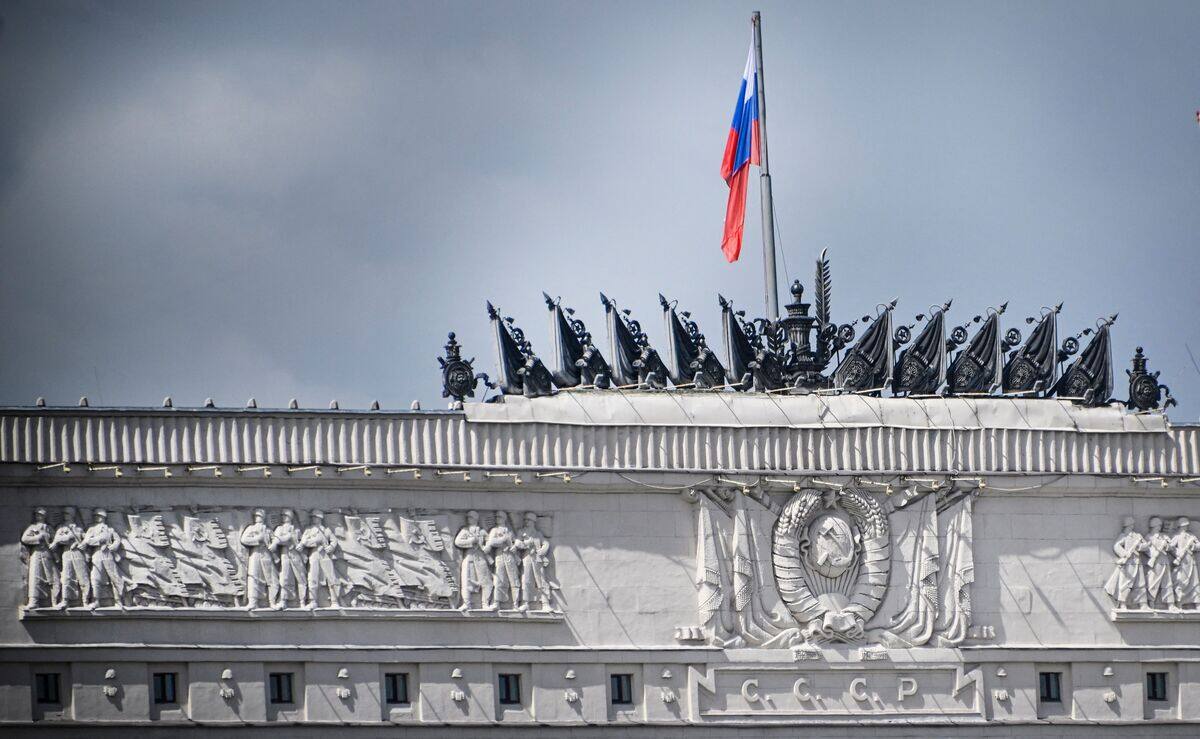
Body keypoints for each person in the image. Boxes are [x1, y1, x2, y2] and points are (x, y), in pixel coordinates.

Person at [83, 508, 124, 609]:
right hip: (97, 554)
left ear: (103, 517)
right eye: (95, 516)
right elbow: (88, 541)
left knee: (114, 577)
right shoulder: (91, 529)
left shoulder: (110, 530)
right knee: (95, 578)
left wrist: (113, 546)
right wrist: (100, 539)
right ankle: (96, 601)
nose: (97, 518)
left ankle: (118, 601)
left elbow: (117, 540)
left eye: (99, 516)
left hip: (108, 555)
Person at [1103, 516, 1147, 609]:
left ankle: (1143, 604)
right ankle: (1123, 603)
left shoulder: (1137, 536)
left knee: (1141, 582)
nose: (1130, 527)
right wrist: (1124, 554)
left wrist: (1140, 547)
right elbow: (1116, 546)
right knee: (1126, 582)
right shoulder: (1124, 536)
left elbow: (1145, 547)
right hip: (1128, 562)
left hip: (1137, 561)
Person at [300, 510, 341, 609]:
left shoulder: (325, 530)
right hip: (313, 554)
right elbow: (303, 542)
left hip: (325, 556)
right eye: (312, 517)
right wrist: (313, 541)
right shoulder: (308, 529)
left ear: (320, 518)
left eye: (315, 517)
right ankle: (313, 601)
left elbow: (334, 540)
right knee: (312, 578)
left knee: (331, 578)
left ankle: (334, 601)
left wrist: (331, 547)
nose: (313, 519)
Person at [240, 509, 278, 609]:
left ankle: (272, 602)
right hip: (255, 554)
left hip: (266, 555)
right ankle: (253, 602)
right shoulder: (251, 528)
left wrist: (274, 545)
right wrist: (257, 539)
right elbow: (244, 539)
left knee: (272, 579)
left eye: (260, 516)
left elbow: (275, 540)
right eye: (256, 516)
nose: (257, 518)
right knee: (253, 577)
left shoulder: (268, 530)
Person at [454, 510, 492, 610]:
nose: (468, 519)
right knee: (466, 580)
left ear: (475, 519)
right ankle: (467, 603)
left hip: (481, 558)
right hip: (469, 557)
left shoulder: (482, 531)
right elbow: (458, 542)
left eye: (470, 517)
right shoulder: (465, 530)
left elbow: (489, 541)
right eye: (467, 517)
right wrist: (470, 541)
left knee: (486, 581)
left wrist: (487, 547)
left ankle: (485, 604)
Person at [52, 506, 90, 608]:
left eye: (67, 514)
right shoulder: (61, 528)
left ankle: (86, 601)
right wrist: (68, 538)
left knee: (83, 577)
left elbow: (87, 540)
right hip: (67, 553)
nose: (65, 516)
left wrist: (81, 544)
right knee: (66, 577)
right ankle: (65, 601)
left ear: (72, 515)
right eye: (64, 514)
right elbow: (57, 540)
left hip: (78, 554)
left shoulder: (78, 528)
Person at [515, 512, 553, 612]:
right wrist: (526, 543)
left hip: (537, 559)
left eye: (528, 520)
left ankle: (545, 603)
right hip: (526, 558)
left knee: (541, 580)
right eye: (525, 520)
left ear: (533, 522)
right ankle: (525, 603)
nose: (526, 522)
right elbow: (517, 543)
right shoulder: (521, 532)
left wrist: (542, 551)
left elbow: (546, 543)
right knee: (526, 580)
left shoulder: (537, 534)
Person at [21, 508, 56, 608]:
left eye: (40, 515)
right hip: (36, 554)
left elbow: (55, 540)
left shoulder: (49, 528)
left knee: (51, 578)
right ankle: (34, 601)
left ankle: (54, 601)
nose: (38, 516)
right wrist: (38, 538)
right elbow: (25, 539)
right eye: (37, 515)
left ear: (44, 516)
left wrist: (53, 544)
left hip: (48, 554)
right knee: (34, 577)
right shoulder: (33, 527)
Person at [271, 509, 307, 609]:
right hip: (285, 554)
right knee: (284, 578)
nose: (283, 517)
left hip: (296, 555)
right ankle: (283, 600)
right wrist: (287, 538)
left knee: (301, 578)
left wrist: (301, 545)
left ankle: (302, 601)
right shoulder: (279, 528)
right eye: (282, 515)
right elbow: (277, 540)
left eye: (285, 515)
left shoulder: (297, 530)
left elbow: (303, 542)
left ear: (290, 517)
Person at [484, 511, 520, 610]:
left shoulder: (510, 530)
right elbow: (492, 542)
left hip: (511, 557)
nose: (497, 519)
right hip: (500, 556)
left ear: (504, 518)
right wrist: (503, 539)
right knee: (499, 580)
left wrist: (515, 546)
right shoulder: (494, 530)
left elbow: (516, 541)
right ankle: (496, 603)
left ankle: (516, 604)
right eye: (496, 517)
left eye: (499, 517)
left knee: (514, 580)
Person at [1144, 517, 1176, 609]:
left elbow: (1171, 548)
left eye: (1159, 526)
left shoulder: (1164, 536)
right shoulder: (1149, 536)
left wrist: (1166, 545)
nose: (1159, 527)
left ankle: (1171, 604)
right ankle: (1151, 602)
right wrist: (1153, 555)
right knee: (1154, 581)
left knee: (1167, 582)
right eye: (1158, 526)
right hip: (1156, 561)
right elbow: (1146, 549)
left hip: (1164, 560)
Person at [1171, 517, 1199, 608]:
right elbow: (1171, 547)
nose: (1186, 527)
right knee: (1181, 581)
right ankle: (1179, 602)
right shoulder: (1176, 536)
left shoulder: (1191, 536)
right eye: (1184, 526)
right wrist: (1178, 553)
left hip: (1191, 560)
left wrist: (1194, 546)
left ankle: (1197, 602)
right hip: (1182, 562)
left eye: (1186, 526)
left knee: (1194, 582)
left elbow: (1198, 545)